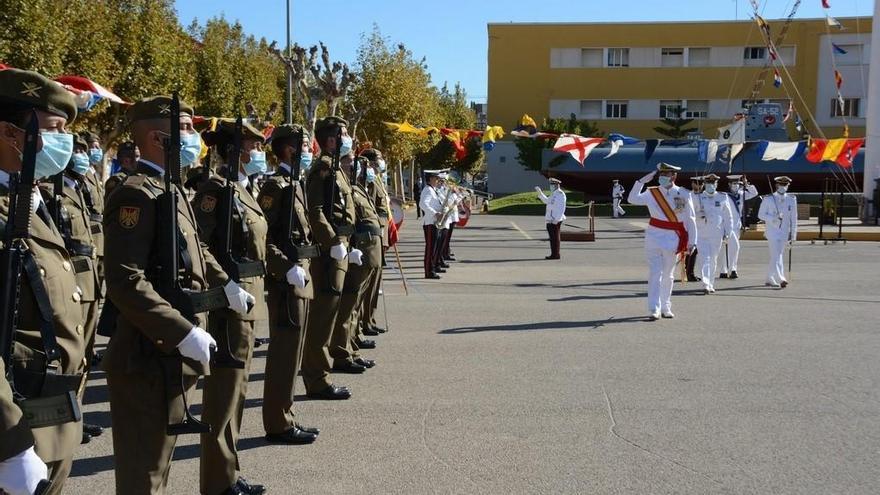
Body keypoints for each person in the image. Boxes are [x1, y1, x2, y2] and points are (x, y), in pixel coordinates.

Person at [102, 95, 255, 495]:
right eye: (186, 128)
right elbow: (125, 279)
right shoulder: (137, 193)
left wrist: (225, 285)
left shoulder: (171, 188)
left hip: (167, 353)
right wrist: (181, 332)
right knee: (145, 474)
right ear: (156, 137)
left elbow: (197, 250)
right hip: (145, 354)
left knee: (160, 466)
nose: (195, 136)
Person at [0, 67, 86, 495]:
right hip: (13, 421)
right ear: (9, 134)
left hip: (45, 409)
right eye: (54, 130)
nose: (62, 143)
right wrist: (10, 444)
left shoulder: (28, 200)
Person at [192, 120, 269, 495]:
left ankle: (228, 474)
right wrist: (224, 283)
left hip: (248, 300)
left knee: (237, 393)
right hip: (229, 305)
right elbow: (198, 245)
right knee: (223, 396)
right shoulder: (214, 190)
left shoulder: (242, 188)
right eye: (252, 147)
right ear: (235, 152)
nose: (257, 153)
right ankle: (217, 483)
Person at [258, 124, 321, 444]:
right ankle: (278, 423)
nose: (310, 150)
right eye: (305, 145)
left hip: (301, 275)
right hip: (287, 281)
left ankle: (286, 415)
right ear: (288, 149)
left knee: (292, 353)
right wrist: (285, 268)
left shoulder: (296, 183)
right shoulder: (276, 186)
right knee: (283, 354)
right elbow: (263, 239)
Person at [41, 134, 104, 444]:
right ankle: (66, 418)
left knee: (85, 353)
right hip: (70, 283)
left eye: (82, 148)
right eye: (77, 148)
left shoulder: (75, 186)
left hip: (89, 279)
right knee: (67, 356)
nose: (80, 153)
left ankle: (76, 413)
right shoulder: (51, 190)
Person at [301, 116, 357, 400]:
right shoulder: (322, 169)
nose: (348, 138)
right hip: (329, 251)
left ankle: (319, 374)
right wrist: (333, 241)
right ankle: (316, 378)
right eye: (343, 133)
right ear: (332, 139)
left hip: (341, 246)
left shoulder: (335, 169)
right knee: (323, 316)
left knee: (331, 312)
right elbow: (316, 210)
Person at [327, 155, 380, 374]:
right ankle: (342, 353)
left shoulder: (355, 188)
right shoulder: (342, 188)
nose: (355, 165)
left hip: (366, 252)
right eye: (349, 161)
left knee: (354, 307)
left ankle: (350, 349)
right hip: (355, 252)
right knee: (347, 307)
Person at [627, 163, 697, 320]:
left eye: (667, 174)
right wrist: (640, 183)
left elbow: (690, 219)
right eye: (661, 174)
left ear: (674, 176)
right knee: (655, 273)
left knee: (668, 274)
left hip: (674, 238)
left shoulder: (683, 193)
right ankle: (654, 308)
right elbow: (632, 199)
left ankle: (666, 306)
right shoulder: (652, 193)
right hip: (654, 237)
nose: (663, 177)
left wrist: (692, 242)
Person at [358, 149, 389, 336]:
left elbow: (382, 207)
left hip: (379, 234)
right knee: (365, 285)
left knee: (375, 283)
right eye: (377, 163)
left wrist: (384, 227)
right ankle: (363, 321)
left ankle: (369, 318)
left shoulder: (377, 180)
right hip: (367, 238)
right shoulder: (363, 181)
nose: (380, 165)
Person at [692, 174, 733, 294]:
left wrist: (728, 232)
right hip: (702, 233)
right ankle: (705, 283)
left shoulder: (722, 197)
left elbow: (728, 216)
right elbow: (690, 214)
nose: (711, 185)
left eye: (713, 183)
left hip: (717, 233)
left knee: (713, 259)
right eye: (709, 183)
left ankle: (710, 283)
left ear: (716, 184)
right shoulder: (697, 197)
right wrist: (698, 216)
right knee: (705, 258)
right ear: (705, 184)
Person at [757, 176, 798, 288]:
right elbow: (760, 215)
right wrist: (772, 218)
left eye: (785, 185)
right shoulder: (769, 199)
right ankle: (781, 278)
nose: (783, 187)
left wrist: (793, 235)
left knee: (777, 255)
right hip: (772, 231)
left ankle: (769, 278)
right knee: (776, 254)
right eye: (781, 185)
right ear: (776, 186)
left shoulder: (791, 199)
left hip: (784, 232)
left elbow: (794, 218)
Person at [720, 175, 758, 279]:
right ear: (729, 185)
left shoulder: (741, 194)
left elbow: (754, 193)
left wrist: (746, 184)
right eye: (733, 184)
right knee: (733, 247)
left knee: (731, 247)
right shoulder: (725, 196)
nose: (736, 186)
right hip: (727, 224)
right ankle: (732, 269)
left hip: (737, 225)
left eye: (737, 184)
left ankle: (725, 270)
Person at [535, 177, 566, 260]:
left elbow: (561, 208)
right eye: (551, 184)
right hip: (550, 220)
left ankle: (555, 254)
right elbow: (547, 201)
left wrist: (557, 219)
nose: (551, 186)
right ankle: (554, 253)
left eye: (552, 184)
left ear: (557, 185)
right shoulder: (554, 194)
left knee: (555, 238)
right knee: (552, 238)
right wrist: (540, 193)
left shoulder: (560, 194)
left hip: (555, 220)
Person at [419, 170, 442, 279]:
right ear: (430, 179)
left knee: (434, 248)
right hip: (430, 222)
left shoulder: (433, 190)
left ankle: (431, 269)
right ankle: (428, 271)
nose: (438, 180)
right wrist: (435, 213)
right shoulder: (427, 190)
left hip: (435, 222)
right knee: (430, 248)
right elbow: (423, 204)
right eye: (436, 178)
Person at [684, 176, 704, 282]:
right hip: (691, 227)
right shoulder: (688, 195)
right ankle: (688, 273)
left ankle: (690, 272)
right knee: (691, 251)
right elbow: (684, 211)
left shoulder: (705, 196)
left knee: (697, 251)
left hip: (703, 229)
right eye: (697, 183)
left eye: (701, 184)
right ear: (692, 184)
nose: (700, 186)